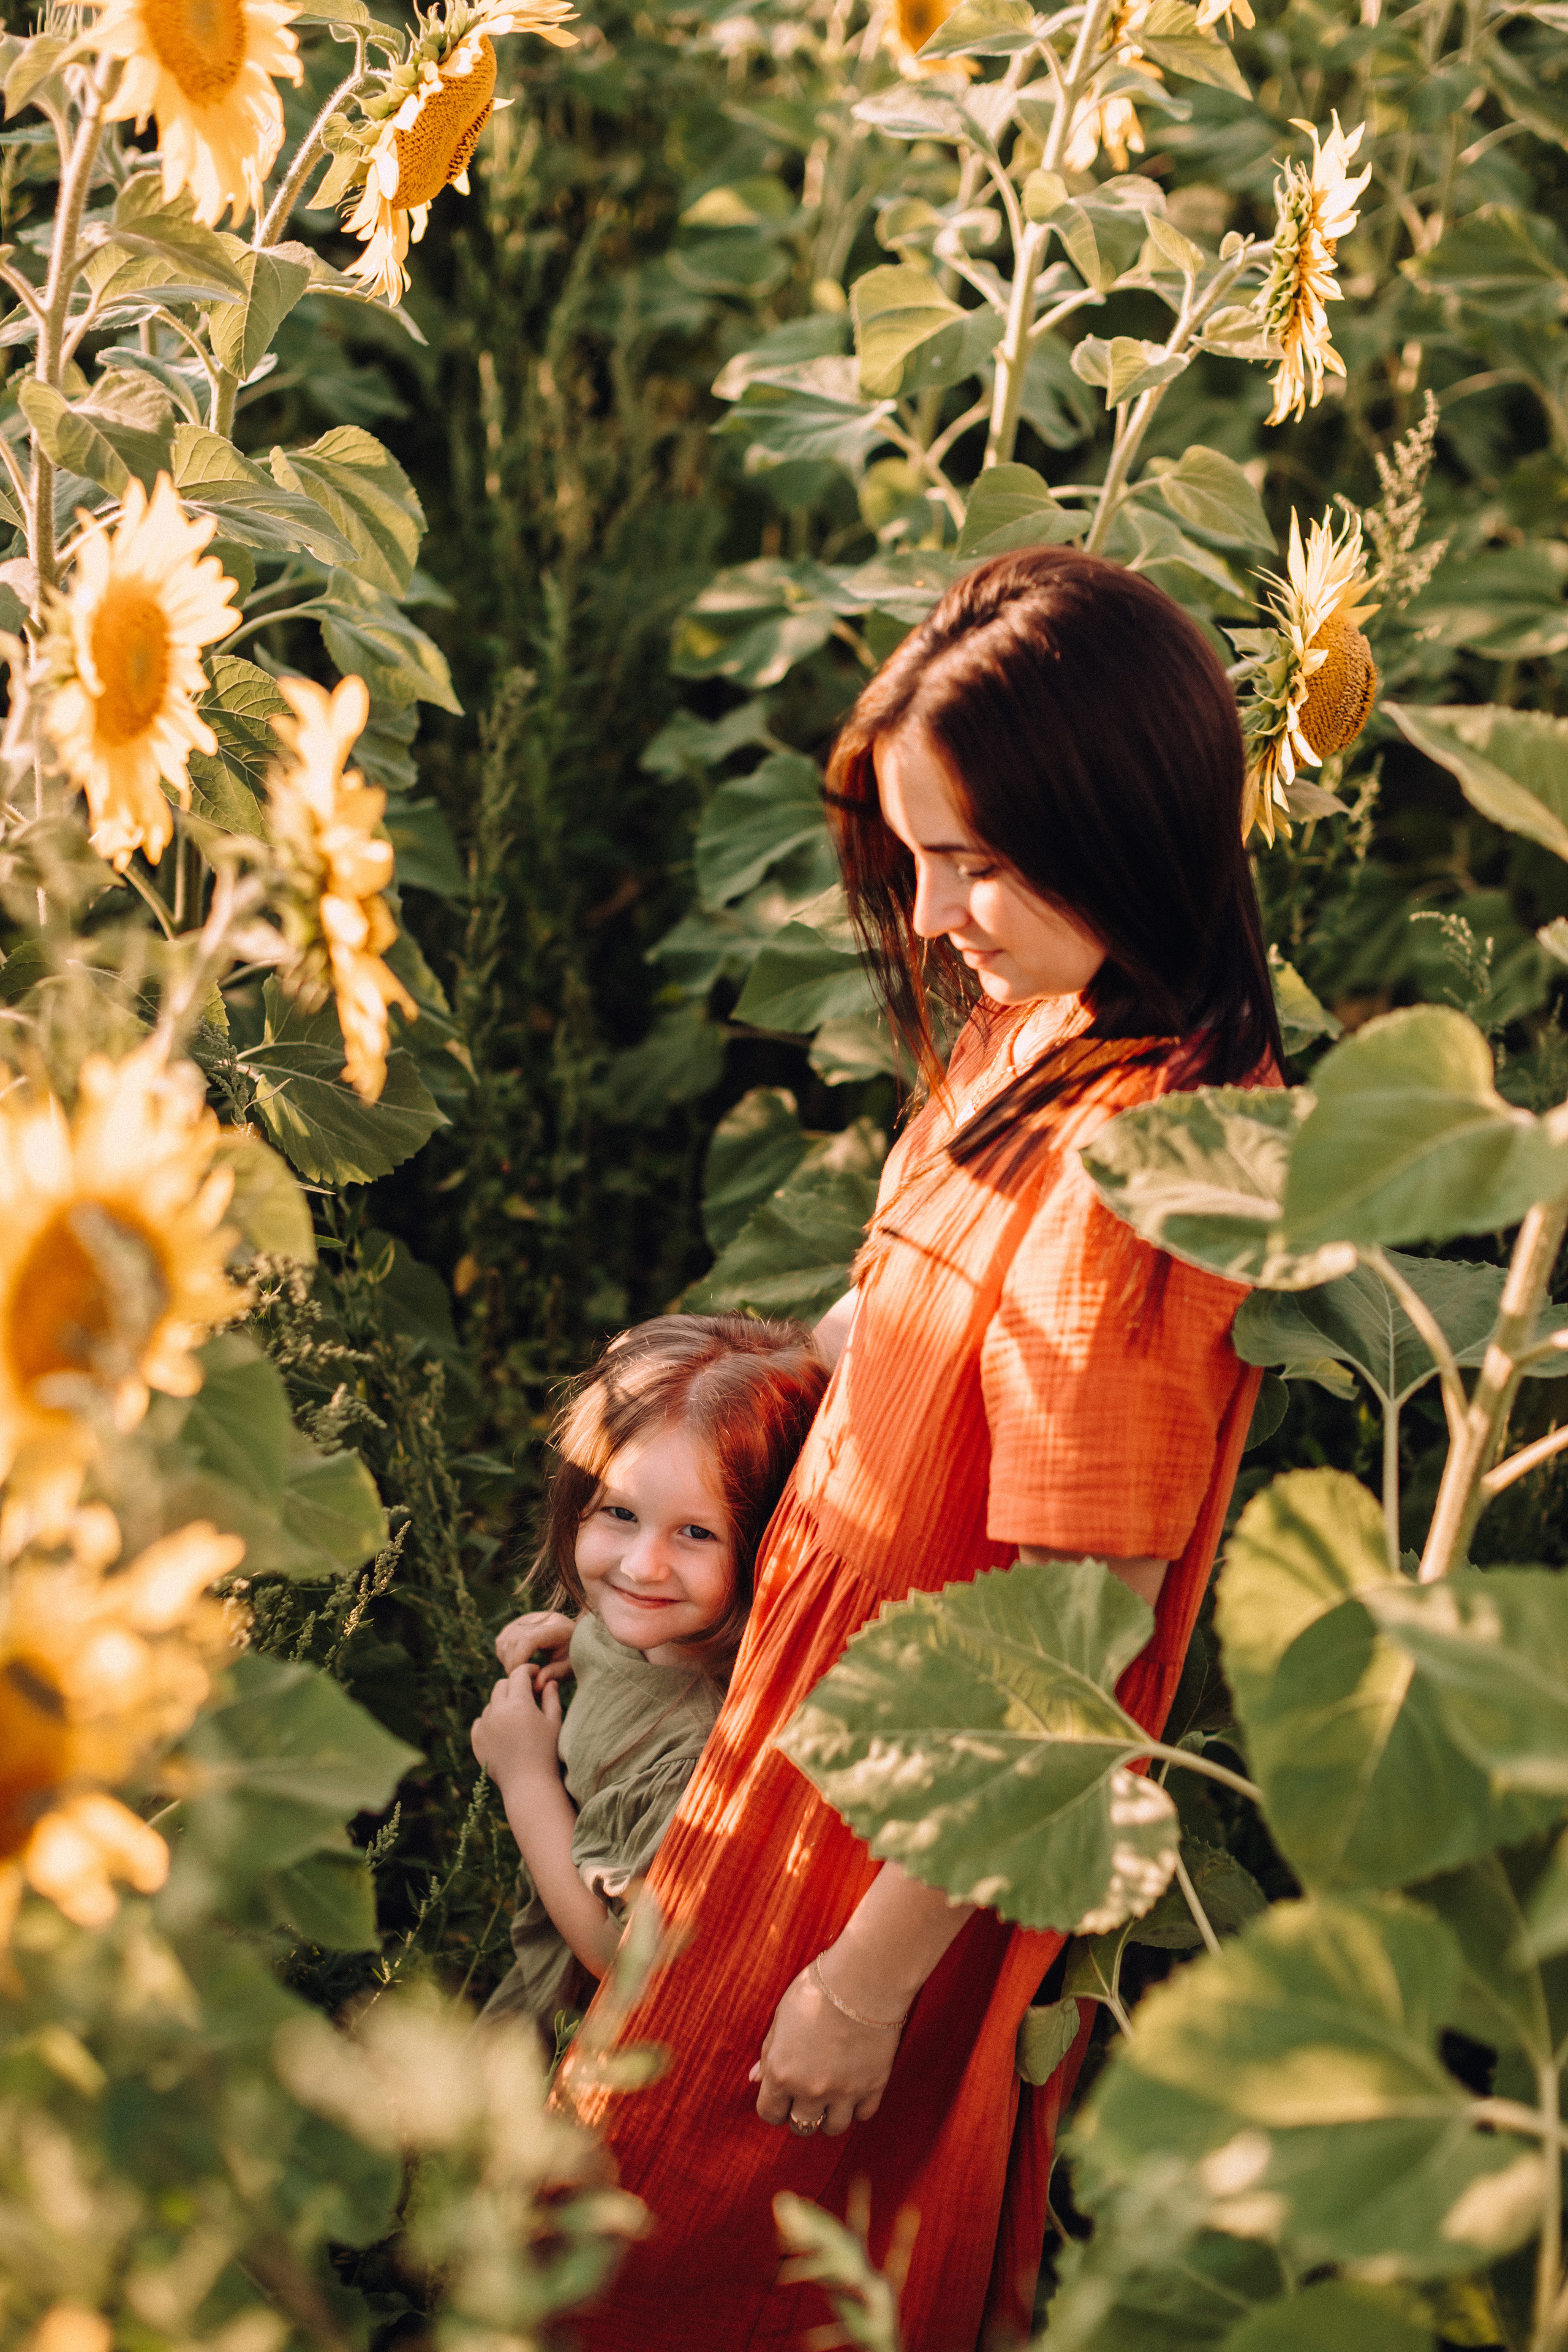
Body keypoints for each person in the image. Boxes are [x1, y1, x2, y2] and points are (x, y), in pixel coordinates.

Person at [559, 546, 1284, 2351]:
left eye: (974, 859)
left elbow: (1072, 1623)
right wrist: (662, 1532)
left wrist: (866, 1980)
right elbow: (890, 1324)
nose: (931, 904)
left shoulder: (1142, 1173)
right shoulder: (1036, 1019)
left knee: (741, 2256)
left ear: (1119, 825)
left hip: (902, 1829)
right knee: (630, 2202)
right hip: (810, 1720)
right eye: (914, 854)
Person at [471, 1314, 827, 2038]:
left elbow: (621, 1960)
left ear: (763, 1546)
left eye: (697, 1533)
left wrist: (525, 1781)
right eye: (620, 1513)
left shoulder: (698, 1755)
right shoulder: (658, 1628)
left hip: (586, 2032)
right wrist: (589, 1640)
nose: (641, 1566)